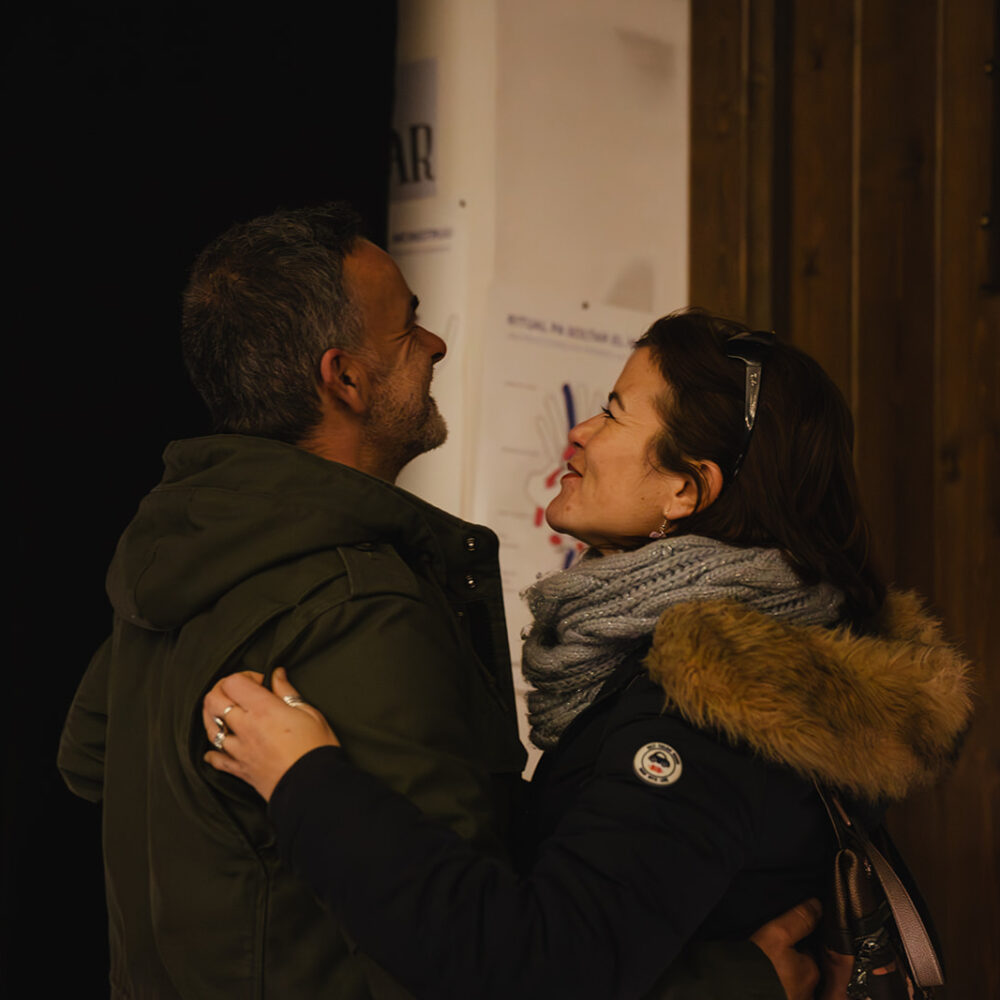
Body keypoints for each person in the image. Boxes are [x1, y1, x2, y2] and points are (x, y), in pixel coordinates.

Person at [58, 206, 817, 999]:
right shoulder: (361, 605)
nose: (436, 343)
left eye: (614, 411)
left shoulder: (187, 551)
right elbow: (483, 964)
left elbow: (90, 762)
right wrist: (735, 983)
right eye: (409, 327)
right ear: (345, 378)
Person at [203, 310, 973, 1000]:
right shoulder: (739, 661)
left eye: (613, 412)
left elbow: (533, 967)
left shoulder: (705, 713)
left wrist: (307, 781)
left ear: (686, 490)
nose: (580, 432)